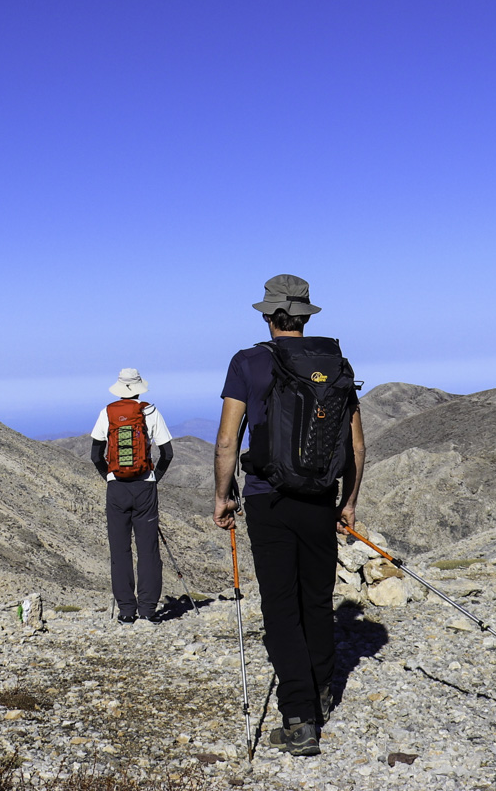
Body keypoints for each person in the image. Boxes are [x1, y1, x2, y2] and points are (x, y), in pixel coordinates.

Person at [212, 275, 365, 757]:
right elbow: (357, 446)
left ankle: (298, 717)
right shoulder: (336, 362)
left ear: (267, 315)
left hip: (267, 498)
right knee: (316, 600)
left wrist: (223, 496)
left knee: (280, 605)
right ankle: (321, 692)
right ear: (304, 316)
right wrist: (349, 501)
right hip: (321, 497)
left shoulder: (248, 362)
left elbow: (226, 442)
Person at [89, 368, 175, 624]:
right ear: (139, 388)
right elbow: (167, 454)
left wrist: (110, 476)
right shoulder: (150, 412)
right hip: (144, 487)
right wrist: (153, 478)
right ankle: (148, 610)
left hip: (117, 488)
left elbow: (95, 455)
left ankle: (126, 610)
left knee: (120, 550)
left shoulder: (107, 412)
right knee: (148, 550)